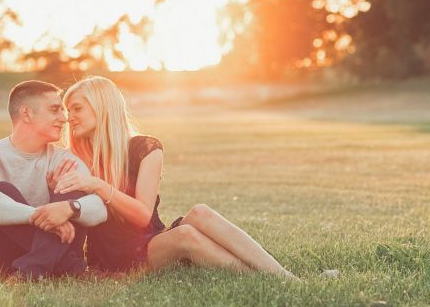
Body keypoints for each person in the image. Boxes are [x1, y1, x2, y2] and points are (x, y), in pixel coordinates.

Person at [41, 75, 295, 277]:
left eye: (76, 109)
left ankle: (282, 275)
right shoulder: (74, 159)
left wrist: (97, 185)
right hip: (114, 255)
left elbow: (142, 215)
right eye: (67, 111)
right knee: (186, 235)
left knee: (201, 212)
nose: (68, 118)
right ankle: (269, 278)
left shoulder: (146, 148)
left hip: (149, 238)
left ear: (102, 107)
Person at [0, 79, 107, 278]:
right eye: (55, 109)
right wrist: (40, 216)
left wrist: (69, 208)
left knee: (71, 190)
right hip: (4, 259)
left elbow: (98, 209)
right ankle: (68, 267)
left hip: (54, 253)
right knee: (3, 190)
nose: (64, 118)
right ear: (26, 113)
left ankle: (31, 269)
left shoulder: (63, 160)